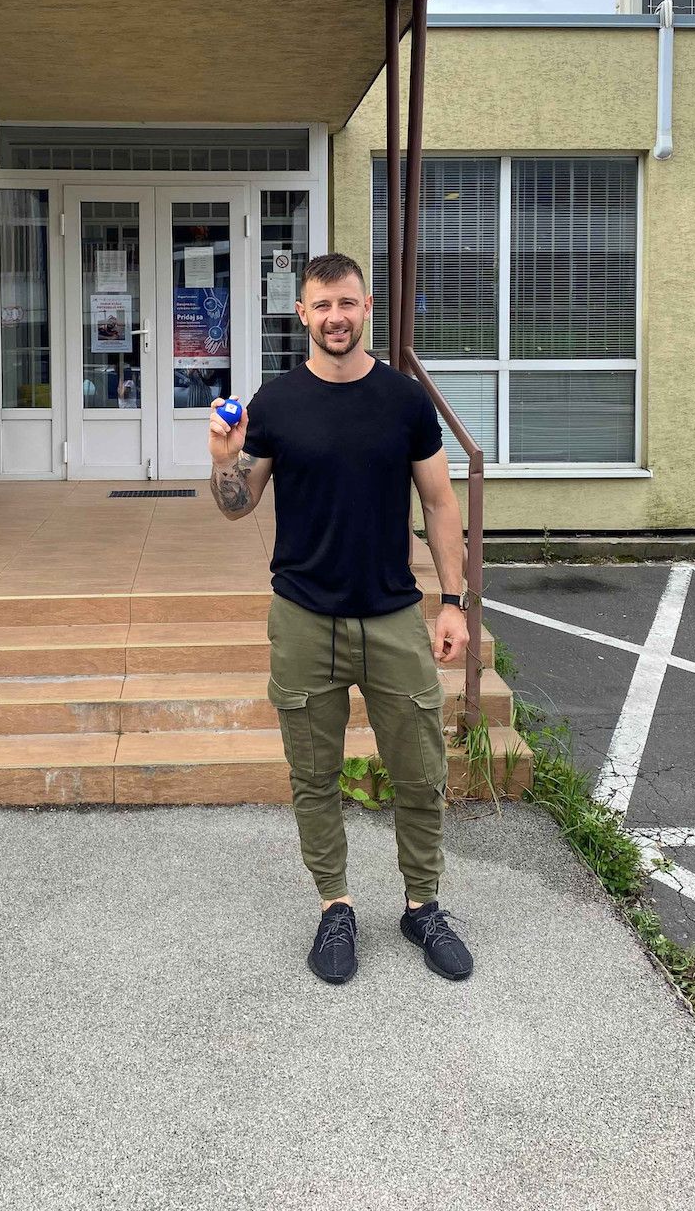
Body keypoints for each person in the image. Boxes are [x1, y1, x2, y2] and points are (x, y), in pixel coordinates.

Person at [207, 252, 474, 985]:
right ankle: (335, 906)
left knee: (420, 772)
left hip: (392, 615)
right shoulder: (277, 403)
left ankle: (422, 906)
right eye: (322, 305)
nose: (335, 317)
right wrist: (225, 458)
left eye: (347, 303)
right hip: (303, 617)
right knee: (314, 776)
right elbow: (237, 506)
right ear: (302, 313)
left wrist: (454, 603)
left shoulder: (404, 400)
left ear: (366, 309)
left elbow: (440, 503)